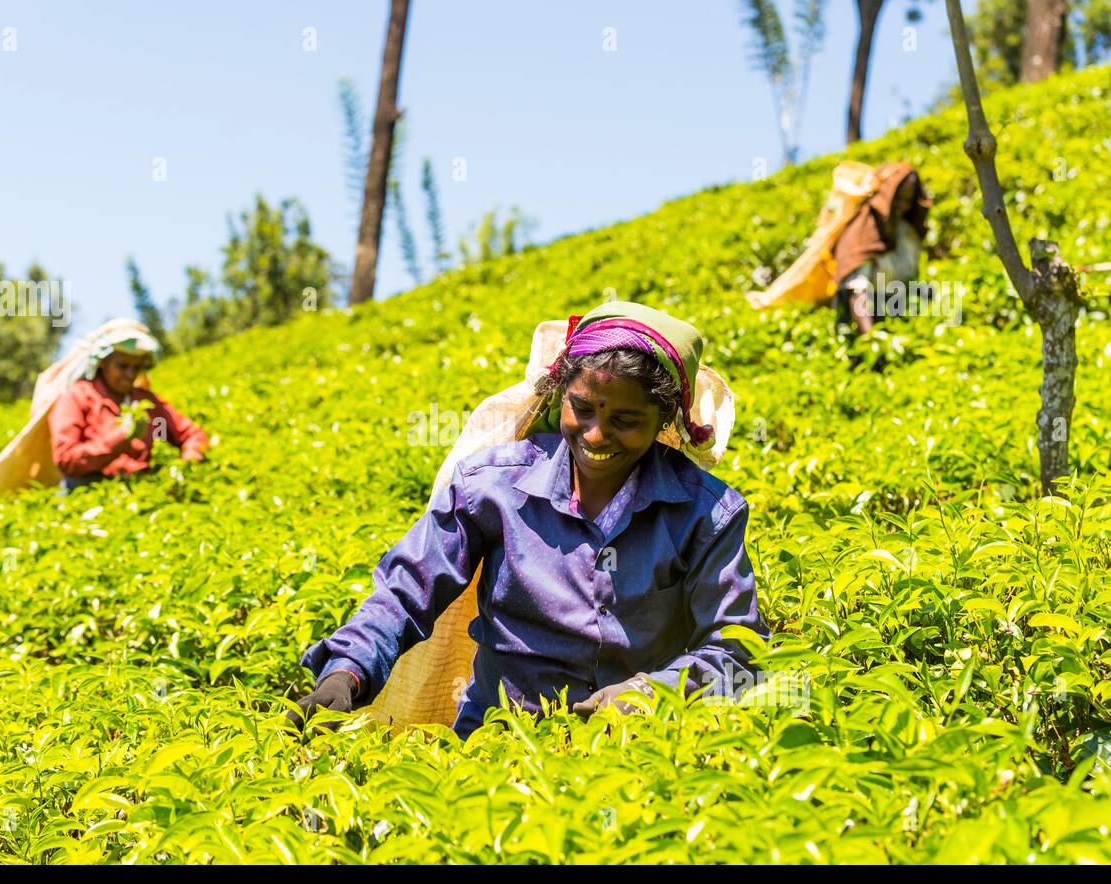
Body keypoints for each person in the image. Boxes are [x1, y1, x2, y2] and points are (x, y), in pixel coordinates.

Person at [289, 301, 771, 739]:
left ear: (664, 419)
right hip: (496, 741)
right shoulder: (491, 487)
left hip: (636, 750)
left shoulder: (705, 513)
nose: (597, 435)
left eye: (626, 421)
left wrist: (649, 693)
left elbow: (737, 647)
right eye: (582, 409)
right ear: (559, 396)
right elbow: (407, 590)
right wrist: (348, 670)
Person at [48, 326, 208, 492]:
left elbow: (191, 433)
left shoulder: (146, 401)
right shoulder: (78, 397)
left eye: (137, 367)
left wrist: (189, 463)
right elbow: (66, 459)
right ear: (103, 362)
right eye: (122, 366)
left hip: (140, 489)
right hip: (89, 491)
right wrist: (123, 436)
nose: (130, 374)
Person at [832, 162, 932, 335]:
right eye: (898, 199)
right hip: (864, 320)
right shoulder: (862, 230)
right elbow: (856, 292)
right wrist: (871, 340)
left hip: (896, 313)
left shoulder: (904, 231)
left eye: (907, 201)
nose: (902, 206)